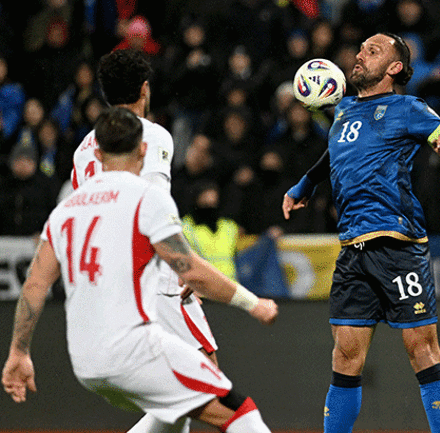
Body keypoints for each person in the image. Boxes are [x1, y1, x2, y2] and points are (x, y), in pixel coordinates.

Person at [2, 107, 278, 432]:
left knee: (176, 408)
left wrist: (18, 351)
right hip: (132, 349)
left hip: (85, 361)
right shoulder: (146, 198)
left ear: (98, 154)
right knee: (238, 411)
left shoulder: (65, 211)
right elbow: (191, 271)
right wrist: (254, 304)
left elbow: (35, 285)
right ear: (143, 149)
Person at [282, 32, 440, 433]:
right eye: (360, 49)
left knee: (422, 349)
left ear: (394, 67)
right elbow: (336, 151)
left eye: (372, 51)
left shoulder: (408, 108)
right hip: (352, 249)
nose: (359, 55)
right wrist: (304, 184)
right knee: (344, 356)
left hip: (397, 244)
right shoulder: (344, 110)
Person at [70, 49, 222, 433]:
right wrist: (183, 264)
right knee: (204, 378)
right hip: (152, 270)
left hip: (109, 278)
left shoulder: (84, 149)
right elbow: (150, 206)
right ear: (144, 89)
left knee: (179, 390)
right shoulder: (150, 135)